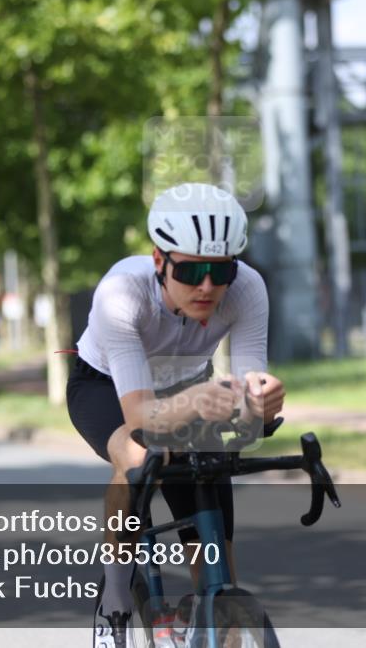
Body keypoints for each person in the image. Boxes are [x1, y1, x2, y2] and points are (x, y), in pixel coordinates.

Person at [66, 183, 286, 648]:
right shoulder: (121, 294)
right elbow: (142, 415)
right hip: (106, 385)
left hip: (190, 385)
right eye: (190, 271)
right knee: (137, 456)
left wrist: (259, 405)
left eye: (220, 270)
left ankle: (214, 613)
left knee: (209, 478)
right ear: (159, 260)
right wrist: (201, 401)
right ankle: (117, 595)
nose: (207, 286)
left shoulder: (247, 289)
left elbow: (247, 411)